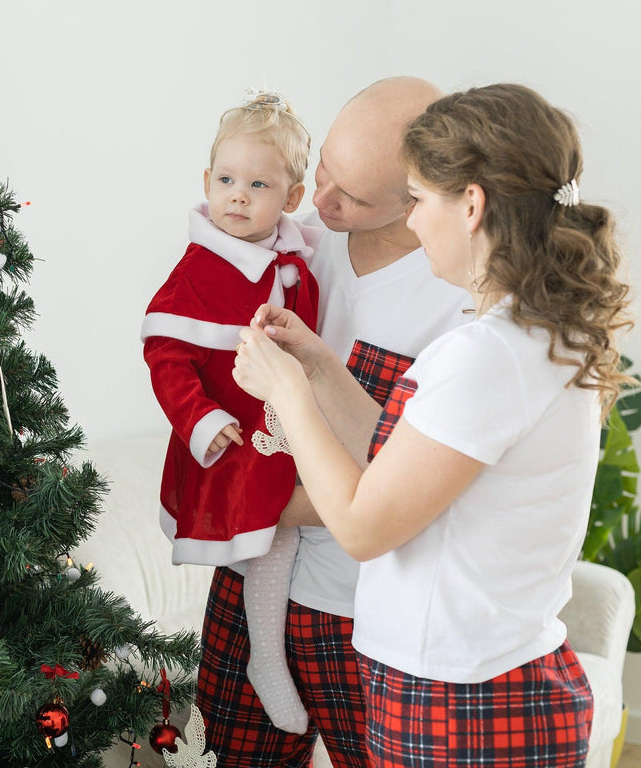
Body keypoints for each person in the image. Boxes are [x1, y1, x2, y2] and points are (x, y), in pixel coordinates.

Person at [233, 82, 629, 767]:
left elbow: (362, 527)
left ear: (470, 205)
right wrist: (320, 365)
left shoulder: (486, 356)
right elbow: (402, 457)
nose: (412, 225)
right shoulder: (538, 335)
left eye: (417, 200)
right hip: (489, 683)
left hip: (461, 700)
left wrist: (288, 393)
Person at [193, 77, 472, 768]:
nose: (320, 201)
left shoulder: (457, 303)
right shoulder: (294, 247)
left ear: (417, 197)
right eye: (322, 172)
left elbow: (414, 484)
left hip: (357, 611)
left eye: (353, 196)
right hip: (248, 579)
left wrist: (256, 502)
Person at [141, 91, 318, 733]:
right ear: (206, 182)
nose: (238, 197)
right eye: (226, 181)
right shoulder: (200, 268)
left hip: (287, 428)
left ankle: (270, 652)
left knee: (287, 534)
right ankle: (265, 659)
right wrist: (201, 420)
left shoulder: (296, 255)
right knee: (274, 535)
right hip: (235, 438)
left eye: (258, 185)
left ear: (292, 197)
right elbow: (166, 352)